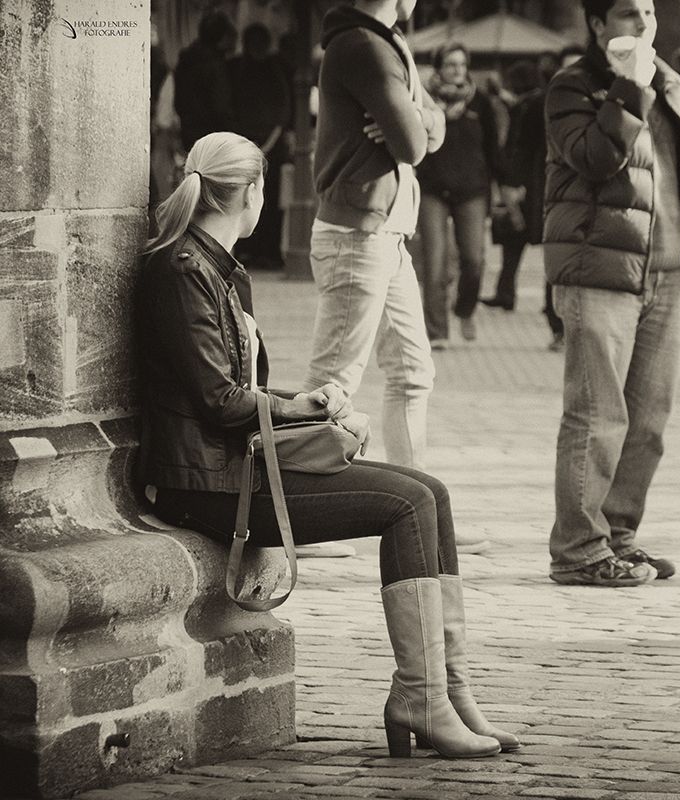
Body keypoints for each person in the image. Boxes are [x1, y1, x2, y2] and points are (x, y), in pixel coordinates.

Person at [136, 132, 518, 759]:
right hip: (205, 485)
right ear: (253, 193)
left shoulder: (215, 267)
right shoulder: (184, 271)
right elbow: (217, 400)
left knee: (432, 492)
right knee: (406, 504)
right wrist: (295, 405)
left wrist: (308, 402)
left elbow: (231, 391)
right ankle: (419, 697)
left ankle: (449, 691)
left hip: (235, 468)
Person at [543, 0, 680, 586]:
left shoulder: (670, 81)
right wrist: (628, 88)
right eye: (627, 13)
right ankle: (577, 549)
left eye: (648, 11)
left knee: (648, 421)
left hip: (667, 268)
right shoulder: (573, 86)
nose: (643, 24)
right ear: (598, 26)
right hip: (599, 268)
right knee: (597, 416)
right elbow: (597, 159)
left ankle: (617, 537)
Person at [305, 0, 443, 474]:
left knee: (412, 373)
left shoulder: (387, 41)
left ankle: (418, 501)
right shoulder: (363, 45)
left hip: (385, 234)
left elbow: (432, 125)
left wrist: (415, 117)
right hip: (356, 236)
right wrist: (412, 122)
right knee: (332, 383)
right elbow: (413, 146)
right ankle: (301, 521)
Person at [415, 43, 503, 350]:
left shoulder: (480, 102)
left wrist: (505, 185)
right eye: (451, 64)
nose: (457, 70)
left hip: (472, 191)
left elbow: (493, 147)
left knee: (474, 260)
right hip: (432, 190)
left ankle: (465, 309)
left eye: (462, 65)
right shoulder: (424, 100)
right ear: (439, 67)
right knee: (435, 261)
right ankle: (437, 331)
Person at [482, 59, 544, 314]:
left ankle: (506, 293)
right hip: (531, 182)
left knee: (516, 237)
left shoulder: (529, 107)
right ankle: (507, 293)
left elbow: (519, 146)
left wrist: (511, 181)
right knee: (518, 239)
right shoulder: (533, 103)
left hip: (525, 183)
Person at [230, 23, 292, 270]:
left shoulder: (275, 69)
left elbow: (283, 108)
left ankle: (267, 252)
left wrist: (269, 143)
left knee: (267, 200)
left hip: (269, 146)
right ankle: (244, 250)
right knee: (239, 198)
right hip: (245, 144)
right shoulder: (237, 68)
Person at [173, 11, 237, 151]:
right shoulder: (215, 65)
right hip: (211, 137)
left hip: (189, 132)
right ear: (223, 38)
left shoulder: (186, 61)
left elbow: (179, 102)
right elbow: (221, 107)